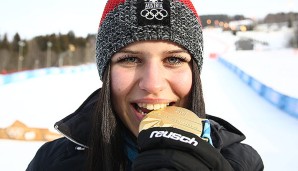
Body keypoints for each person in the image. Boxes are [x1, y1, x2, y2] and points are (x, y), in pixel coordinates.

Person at [27, 0, 264, 170]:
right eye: (130, 59)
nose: (152, 84)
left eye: (174, 59)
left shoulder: (241, 163)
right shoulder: (53, 162)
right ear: (106, 72)